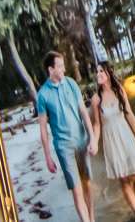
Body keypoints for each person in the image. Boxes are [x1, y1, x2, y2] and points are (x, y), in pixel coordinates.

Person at [33, 49, 94, 222]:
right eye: (60, 66)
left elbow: (83, 112)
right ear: (51, 70)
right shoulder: (42, 95)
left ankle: (92, 218)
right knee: (76, 189)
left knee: (87, 183)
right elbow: (43, 129)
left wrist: (93, 138)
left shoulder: (72, 84)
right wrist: (48, 157)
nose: (64, 69)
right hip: (63, 148)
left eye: (62, 66)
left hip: (82, 141)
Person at [88, 62, 135, 222]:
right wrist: (94, 142)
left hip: (126, 137)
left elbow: (129, 114)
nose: (98, 74)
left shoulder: (119, 91)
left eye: (101, 71)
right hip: (111, 141)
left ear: (108, 73)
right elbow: (96, 124)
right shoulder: (96, 99)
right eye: (97, 72)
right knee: (123, 178)